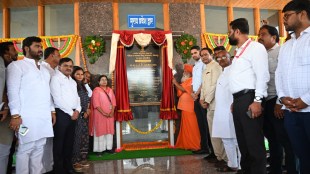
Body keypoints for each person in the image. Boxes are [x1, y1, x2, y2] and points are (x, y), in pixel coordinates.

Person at [6, 36, 54, 174]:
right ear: (26, 48)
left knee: (40, 147)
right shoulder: (16, 66)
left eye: (41, 47)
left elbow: (48, 92)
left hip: (43, 117)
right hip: (24, 118)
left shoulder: (45, 70)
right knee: (25, 147)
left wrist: (52, 111)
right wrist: (15, 114)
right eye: (37, 46)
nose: (40, 49)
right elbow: (12, 91)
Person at [228, 18, 269, 174]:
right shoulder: (239, 51)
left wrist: (257, 100)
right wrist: (235, 100)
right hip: (239, 100)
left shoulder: (256, 47)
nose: (229, 35)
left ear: (237, 31)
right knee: (243, 143)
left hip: (250, 98)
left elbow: (262, 75)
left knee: (254, 144)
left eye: (230, 32)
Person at [276, 1, 310, 173]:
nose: (284, 20)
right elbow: (279, 74)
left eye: (287, 16)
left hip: (309, 110)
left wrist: (306, 99)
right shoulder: (286, 45)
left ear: (302, 14)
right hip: (291, 112)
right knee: (302, 156)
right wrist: (282, 97)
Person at [258, 25, 297, 174]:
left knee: (284, 139)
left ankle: (291, 168)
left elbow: (284, 78)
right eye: (259, 34)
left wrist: (279, 103)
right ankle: (276, 169)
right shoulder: (261, 53)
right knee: (272, 139)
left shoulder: (282, 51)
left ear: (273, 37)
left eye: (263, 34)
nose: (260, 37)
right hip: (265, 101)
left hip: (277, 101)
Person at [50, 57, 81, 174]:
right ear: (59, 67)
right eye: (66, 66)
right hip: (62, 114)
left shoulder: (72, 81)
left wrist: (77, 110)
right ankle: (59, 170)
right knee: (59, 143)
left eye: (70, 66)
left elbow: (77, 98)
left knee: (69, 142)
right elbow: (57, 99)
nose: (69, 68)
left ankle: (69, 168)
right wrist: (71, 112)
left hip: (73, 113)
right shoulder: (55, 79)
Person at [212, 50, 241, 172]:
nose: (221, 60)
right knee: (226, 139)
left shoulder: (234, 71)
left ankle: (241, 165)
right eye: (218, 58)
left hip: (231, 109)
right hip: (221, 111)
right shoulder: (223, 72)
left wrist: (236, 103)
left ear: (230, 57)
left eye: (224, 57)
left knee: (236, 140)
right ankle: (232, 164)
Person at [199, 47, 227, 166]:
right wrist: (201, 99)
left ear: (211, 55)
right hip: (208, 104)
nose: (204, 57)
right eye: (202, 55)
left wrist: (207, 100)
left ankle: (224, 159)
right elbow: (204, 86)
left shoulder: (216, 66)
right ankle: (218, 157)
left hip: (215, 104)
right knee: (213, 133)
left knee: (220, 133)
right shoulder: (205, 69)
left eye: (206, 54)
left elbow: (215, 85)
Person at [41, 46, 61, 174]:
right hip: (46, 110)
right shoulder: (43, 69)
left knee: (51, 140)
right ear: (51, 56)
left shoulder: (56, 70)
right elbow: (46, 93)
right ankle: (43, 169)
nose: (59, 57)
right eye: (58, 55)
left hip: (56, 110)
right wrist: (51, 110)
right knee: (42, 143)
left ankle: (50, 167)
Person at [173, 64, 200, 150]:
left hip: (189, 106)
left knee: (191, 126)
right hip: (185, 107)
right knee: (186, 126)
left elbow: (183, 89)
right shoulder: (187, 80)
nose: (184, 72)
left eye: (185, 71)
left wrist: (175, 83)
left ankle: (193, 144)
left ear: (189, 73)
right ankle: (187, 143)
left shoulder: (191, 80)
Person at [0, 42, 18, 174]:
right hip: (6, 115)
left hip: (13, 117)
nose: (16, 53)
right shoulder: (2, 66)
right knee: (4, 148)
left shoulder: (10, 66)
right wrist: (5, 106)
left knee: (9, 147)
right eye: (13, 50)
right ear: (6, 53)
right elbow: (5, 90)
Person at [190, 46, 210, 155]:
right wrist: (192, 93)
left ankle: (208, 147)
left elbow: (204, 81)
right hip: (195, 97)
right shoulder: (195, 66)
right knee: (200, 124)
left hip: (202, 97)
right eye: (192, 53)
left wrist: (197, 94)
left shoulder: (203, 64)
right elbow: (193, 82)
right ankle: (204, 147)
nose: (194, 55)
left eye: (195, 53)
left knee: (205, 123)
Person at [90, 75, 116, 155]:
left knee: (109, 131)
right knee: (100, 131)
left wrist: (112, 112)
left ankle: (109, 148)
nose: (104, 81)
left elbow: (114, 103)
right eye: (102, 80)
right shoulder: (96, 90)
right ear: (98, 82)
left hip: (110, 115)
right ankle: (99, 150)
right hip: (100, 115)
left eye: (105, 80)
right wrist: (104, 113)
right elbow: (96, 104)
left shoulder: (110, 90)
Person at [71, 66, 91, 172]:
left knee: (84, 136)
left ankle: (83, 158)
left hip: (85, 116)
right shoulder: (72, 85)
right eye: (77, 74)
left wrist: (87, 109)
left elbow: (88, 98)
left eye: (81, 74)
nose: (80, 76)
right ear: (73, 75)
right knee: (77, 137)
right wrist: (83, 112)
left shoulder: (83, 86)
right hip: (77, 115)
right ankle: (75, 160)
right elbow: (74, 102)